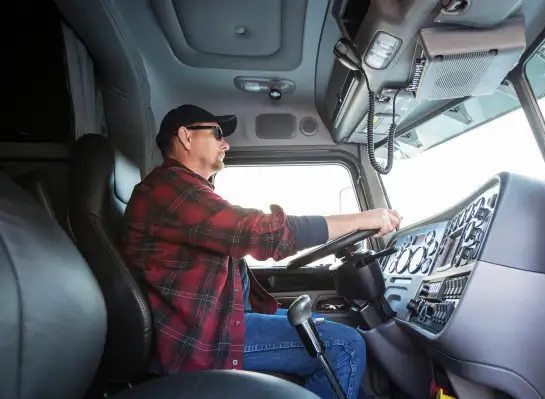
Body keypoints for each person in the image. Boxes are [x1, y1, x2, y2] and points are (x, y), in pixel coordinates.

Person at [121, 104, 402, 399]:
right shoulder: (170, 189)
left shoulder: (185, 190)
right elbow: (258, 232)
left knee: (328, 328)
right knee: (345, 345)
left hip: (219, 321)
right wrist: (359, 220)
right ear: (185, 137)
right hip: (203, 337)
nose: (225, 143)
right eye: (217, 134)